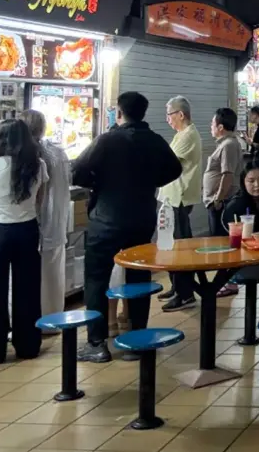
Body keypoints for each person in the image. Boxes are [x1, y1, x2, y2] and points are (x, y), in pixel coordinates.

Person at [72, 92, 181, 363]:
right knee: (138, 278)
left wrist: (99, 182)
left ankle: (97, 343)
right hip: (141, 219)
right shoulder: (155, 141)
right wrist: (150, 181)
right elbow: (175, 169)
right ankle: (137, 340)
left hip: (105, 220)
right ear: (144, 113)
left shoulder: (107, 140)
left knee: (96, 280)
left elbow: (77, 170)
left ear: (119, 112)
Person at [0, 119, 48, 364]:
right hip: (28, 231)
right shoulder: (38, 165)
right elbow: (40, 199)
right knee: (27, 290)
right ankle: (28, 345)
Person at [20, 110, 69, 319]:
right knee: (53, 273)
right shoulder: (59, 153)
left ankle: (27, 318)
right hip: (57, 221)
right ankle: (53, 316)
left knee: (26, 276)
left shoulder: (23, 155)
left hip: (28, 223)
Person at [157, 96, 203, 310]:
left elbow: (168, 163)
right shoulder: (181, 135)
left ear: (181, 114)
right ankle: (177, 286)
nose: (167, 120)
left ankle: (186, 294)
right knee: (169, 244)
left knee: (180, 246)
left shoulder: (189, 135)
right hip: (170, 197)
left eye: (169, 115)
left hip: (180, 198)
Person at [204, 108, 242, 238]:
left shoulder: (228, 145)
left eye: (212, 123)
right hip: (218, 200)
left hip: (222, 202)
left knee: (218, 239)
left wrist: (218, 198)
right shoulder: (225, 144)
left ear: (220, 127)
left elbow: (228, 174)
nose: (210, 126)